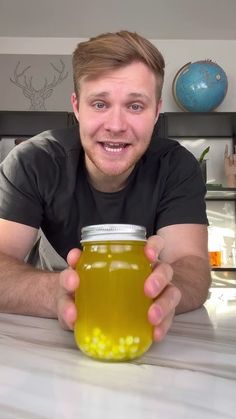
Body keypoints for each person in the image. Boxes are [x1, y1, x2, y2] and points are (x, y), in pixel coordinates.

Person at [0, 30, 211, 342]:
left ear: (156, 111)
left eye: (135, 106)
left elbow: (191, 265)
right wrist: (64, 292)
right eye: (99, 104)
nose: (115, 125)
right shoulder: (32, 161)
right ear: (76, 107)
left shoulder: (177, 167)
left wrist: (159, 292)